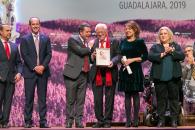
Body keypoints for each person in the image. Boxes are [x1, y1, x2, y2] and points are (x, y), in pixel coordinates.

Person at [148, 26, 184, 128]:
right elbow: (150, 56)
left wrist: (171, 51)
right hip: (160, 78)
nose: (163, 35)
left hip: (173, 78)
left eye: (165, 33)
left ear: (169, 35)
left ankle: (174, 120)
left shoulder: (175, 46)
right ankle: (161, 121)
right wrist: (163, 53)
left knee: (174, 100)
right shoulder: (156, 47)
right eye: (161, 34)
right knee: (161, 100)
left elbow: (182, 56)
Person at [20, 17, 52, 128]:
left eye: (37, 24)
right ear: (29, 25)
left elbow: (49, 54)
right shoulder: (25, 39)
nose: (35, 26)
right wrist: (35, 67)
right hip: (30, 73)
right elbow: (25, 55)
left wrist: (42, 66)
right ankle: (28, 121)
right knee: (29, 98)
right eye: (33, 24)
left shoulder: (46, 38)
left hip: (43, 72)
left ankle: (43, 121)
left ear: (40, 25)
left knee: (42, 98)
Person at [118, 21, 148, 127]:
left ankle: (135, 120)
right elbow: (119, 54)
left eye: (129, 28)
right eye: (126, 29)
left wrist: (132, 60)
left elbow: (145, 56)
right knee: (127, 95)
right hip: (125, 70)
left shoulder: (140, 42)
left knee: (135, 94)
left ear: (135, 30)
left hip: (135, 70)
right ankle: (128, 120)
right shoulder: (122, 41)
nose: (127, 30)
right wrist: (122, 60)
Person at [89, 23, 120, 128]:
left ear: (106, 32)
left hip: (110, 73)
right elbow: (90, 59)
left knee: (109, 98)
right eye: (98, 33)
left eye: (102, 32)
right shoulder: (95, 42)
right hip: (97, 73)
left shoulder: (114, 41)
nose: (100, 34)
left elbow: (119, 55)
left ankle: (107, 121)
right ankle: (100, 120)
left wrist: (113, 61)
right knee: (97, 99)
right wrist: (92, 56)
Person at [63, 23, 91, 128]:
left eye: (89, 32)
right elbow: (79, 51)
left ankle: (78, 121)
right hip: (72, 74)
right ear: (81, 32)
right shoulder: (73, 40)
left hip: (84, 74)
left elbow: (88, 58)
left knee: (81, 100)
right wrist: (90, 49)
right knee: (70, 99)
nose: (89, 34)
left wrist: (92, 55)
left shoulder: (87, 42)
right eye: (87, 32)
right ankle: (69, 121)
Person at [0, 24, 22, 128]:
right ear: (1, 32)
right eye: (7, 30)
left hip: (11, 79)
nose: (9, 32)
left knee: (8, 101)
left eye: (10, 31)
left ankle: (4, 122)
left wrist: (19, 73)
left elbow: (19, 62)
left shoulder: (13, 46)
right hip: (0, 78)